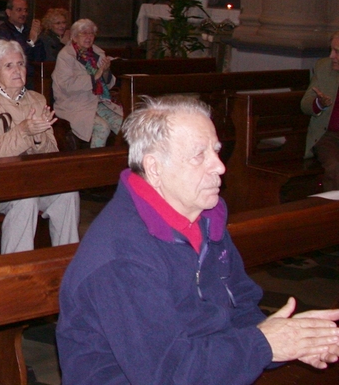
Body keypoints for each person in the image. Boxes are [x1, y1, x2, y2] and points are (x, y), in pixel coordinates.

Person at [56, 95, 339, 384]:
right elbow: (167, 373)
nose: (220, 167)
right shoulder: (121, 257)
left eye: (216, 151)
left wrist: (292, 341)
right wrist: (263, 345)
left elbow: (240, 304)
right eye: (199, 155)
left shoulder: (204, 219)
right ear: (154, 168)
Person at [0, 40, 79, 253]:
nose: (17, 70)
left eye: (20, 64)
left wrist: (37, 138)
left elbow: (51, 152)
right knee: (26, 198)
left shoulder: (36, 99)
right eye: (9, 66)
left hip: (32, 178)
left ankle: (67, 262)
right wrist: (25, 131)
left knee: (67, 194)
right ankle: (16, 270)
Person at [52, 18, 122, 147]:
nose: (88, 37)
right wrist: (95, 76)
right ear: (74, 36)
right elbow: (66, 85)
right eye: (84, 33)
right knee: (102, 127)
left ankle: (117, 162)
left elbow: (108, 84)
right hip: (73, 105)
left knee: (122, 125)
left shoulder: (97, 53)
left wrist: (106, 72)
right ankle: (95, 165)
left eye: (91, 34)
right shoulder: (66, 55)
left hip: (98, 102)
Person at [301, 30, 339, 191]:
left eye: (337, 52)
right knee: (335, 167)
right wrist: (319, 103)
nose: (331, 56)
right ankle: (331, 211)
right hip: (328, 136)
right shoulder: (324, 67)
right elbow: (305, 104)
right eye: (331, 50)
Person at [0, 0, 45, 88]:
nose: (24, 14)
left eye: (25, 10)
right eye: (19, 10)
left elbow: (40, 57)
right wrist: (30, 42)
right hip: (11, 77)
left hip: (31, 76)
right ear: (8, 12)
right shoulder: (1, 32)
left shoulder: (29, 31)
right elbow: (9, 57)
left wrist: (37, 39)